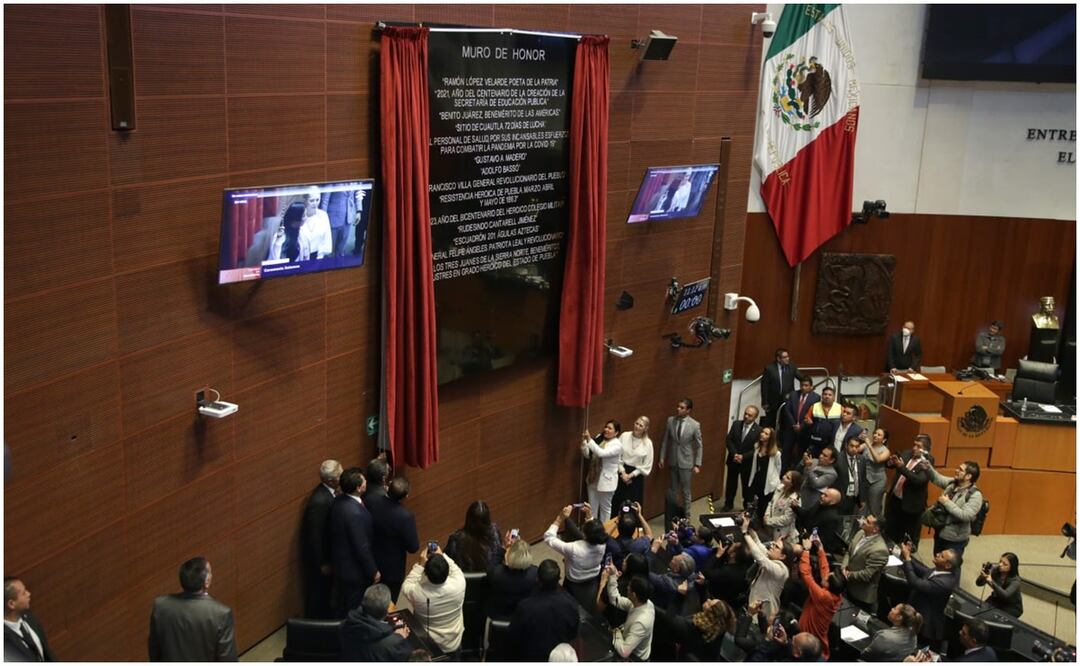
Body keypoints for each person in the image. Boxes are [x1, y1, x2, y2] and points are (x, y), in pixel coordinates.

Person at [148, 557, 237, 661]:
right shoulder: (221, 614)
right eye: (211, 573)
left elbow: (154, 650)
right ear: (206, 582)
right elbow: (227, 659)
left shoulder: (160, 605)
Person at [327, 467, 380, 614]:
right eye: (364, 481)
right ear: (358, 487)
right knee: (353, 609)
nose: (366, 482)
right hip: (353, 571)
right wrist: (373, 570)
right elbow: (361, 546)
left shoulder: (339, 501)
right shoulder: (354, 512)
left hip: (341, 565)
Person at [398, 544, 466, 657]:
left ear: (426, 573)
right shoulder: (460, 583)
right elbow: (454, 568)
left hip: (429, 645)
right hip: (453, 643)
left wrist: (420, 565)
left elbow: (407, 584)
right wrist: (442, 555)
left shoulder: (417, 593)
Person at [507, 560, 579, 662]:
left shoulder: (525, 607)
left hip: (531, 657)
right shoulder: (571, 604)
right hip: (560, 658)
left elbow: (513, 635)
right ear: (559, 579)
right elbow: (573, 634)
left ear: (538, 580)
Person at [543, 504, 606, 612]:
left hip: (574, 581)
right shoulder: (602, 544)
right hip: (593, 578)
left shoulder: (574, 548)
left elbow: (548, 537)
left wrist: (560, 518)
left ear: (585, 535)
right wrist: (589, 516)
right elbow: (594, 532)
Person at [368, 477, 420, 603]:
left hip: (371, 563)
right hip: (392, 570)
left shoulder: (370, 501)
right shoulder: (405, 517)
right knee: (389, 605)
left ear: (388, 486)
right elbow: (413, 547)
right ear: (406, 496)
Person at [301, 459, 341, 618]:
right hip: (321, 562)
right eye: (340, 474)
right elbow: (315, 536)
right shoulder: (319, 502)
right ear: (331, 480)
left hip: (330, 557)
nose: (342, 475)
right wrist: (322, 563)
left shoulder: (329, 493)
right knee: (320, 595)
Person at [900, 543, 959, 650]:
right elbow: (924, 571)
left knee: (915, 649)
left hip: (926, 624)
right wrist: (908, 555)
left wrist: (907, 559)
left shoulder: (944, 583)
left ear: (948, 565)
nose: (937, 554)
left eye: (941, 556)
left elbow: (915, 582)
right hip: (918, 613)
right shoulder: (941, 571)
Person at [923, 460, 983, 559]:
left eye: (960, 470)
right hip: (941, 531)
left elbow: (966, 516)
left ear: (968, 476)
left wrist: (947, 503)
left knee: (951, 567)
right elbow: (938, 479)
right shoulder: (953, 483)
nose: (956, 470)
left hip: (955, 539)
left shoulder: (975, 495)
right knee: (938, 559)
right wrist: (928, 468)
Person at [796, 537, 843, 660]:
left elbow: (806, 574)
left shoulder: (823, 596)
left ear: (828, 585)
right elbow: (825, 570)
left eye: (828, 579)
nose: (826, 576)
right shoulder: (836, 593)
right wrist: (820, 549)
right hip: (812, 636)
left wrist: (806, 550)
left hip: (809, 642)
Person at [884, 434, 934, 551]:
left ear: (925, 450)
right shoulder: (907, 453)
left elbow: (918, 480)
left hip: (911, 505)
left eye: (918, 446)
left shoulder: (928, 461)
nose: (914, 448)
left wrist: (902, 468)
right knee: (890, 531)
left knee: (906, 538)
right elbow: (890, 465)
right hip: (896, 500)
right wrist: (891, 462)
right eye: (914, 445)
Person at [340, 583, 412, 662]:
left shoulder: (346, 624)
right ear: (387, 610)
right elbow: (407, 656)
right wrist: (399, 638)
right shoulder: (395, 643)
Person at [741, 513, 791, 618]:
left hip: (765, 610)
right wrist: (750, 529)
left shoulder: (782, 570)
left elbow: (761, 559)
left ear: (782, 556)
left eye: (776, 547)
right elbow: (758, 545)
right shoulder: (771, 558)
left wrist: (745, 533)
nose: (772, 546)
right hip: (754, 600)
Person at [658, 398, 703, 517]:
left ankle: (687, 516)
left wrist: (697, 464)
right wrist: (662, 457)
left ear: (688, 410)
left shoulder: (694, 425)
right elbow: (665, 440)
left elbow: (699, 446)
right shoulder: (670, 420)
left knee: (686, 491)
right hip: (673, 460)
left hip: (686, 462)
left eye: (682, 407)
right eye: (678, 406)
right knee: (673, 490)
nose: (678, 409)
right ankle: (673, 514)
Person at [603, 565, 655, 661]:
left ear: (634, 595)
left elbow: (624, 652)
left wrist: (616, 633)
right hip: (627, 641)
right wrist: (612, 576)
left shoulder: (641, 622)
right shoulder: (643, 602)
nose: (627, 587)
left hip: (635, 658)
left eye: (629, 587)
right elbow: (615, 599)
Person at [842, 514, 890, 613]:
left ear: (875, 529)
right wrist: (843, 567)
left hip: (861, 596)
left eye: (867, 522)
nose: (863, 521)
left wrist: (848, 575)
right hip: (848, 587)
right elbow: (849, 552)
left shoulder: (880, 550)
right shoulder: (860, 533)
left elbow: (867, 575)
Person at [580, 421, 624, 523]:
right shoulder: (600, 437)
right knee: (592, 508)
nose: (606, 430)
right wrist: (584, 443)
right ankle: (592, 531)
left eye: (609, 428)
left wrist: (590, 440)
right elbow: (588, 454)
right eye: (606, 427)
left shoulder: (617, 445)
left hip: (606, 481)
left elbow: (601, 453)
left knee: (605, 509)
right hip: (593, 477)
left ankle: (604, 533)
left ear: (616, 432)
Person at [445, 500, 503, 573]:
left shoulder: (455, 539)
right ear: (488, 520)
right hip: (491, 582)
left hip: (463, 583)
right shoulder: (495, 533)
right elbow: (500, 559)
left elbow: (446, 563)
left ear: (468, 519)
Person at [4, 577, 54, 662]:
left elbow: (47, 653)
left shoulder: (28, 616)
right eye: (24, 593)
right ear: (11, 604)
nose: (29, 594)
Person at [488, 538, 538, 620]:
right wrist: (521, 551)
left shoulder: (496, 573)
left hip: (499, 615)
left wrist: (504, 547)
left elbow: (493, 562)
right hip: (524, 616)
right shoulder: (535, 573)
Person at [723, 405, 762, 511]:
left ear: (755, 418)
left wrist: (743, 457)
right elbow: (729, 440)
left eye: (749, 415)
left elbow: (757, 449)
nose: (746, 416)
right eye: (745, 413)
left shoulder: (759, 430)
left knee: (746, 487)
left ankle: (746, 507)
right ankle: (728, 504)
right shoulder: (736, 424)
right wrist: (734, 454)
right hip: (733, 460)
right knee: (731, 484)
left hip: (747, 464)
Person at [612, 416, 654, 509]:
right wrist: (623, 473)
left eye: (641, 425)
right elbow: (617, 456)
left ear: (645, 428)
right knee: (617, 503)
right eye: (636, 423)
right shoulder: (624, 436)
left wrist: (630, 476)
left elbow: (647, 465)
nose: (637, 427)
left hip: (636, 477)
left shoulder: (648, 443)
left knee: (632, 506)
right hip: (621, 473)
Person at [782, 377, 819, 469]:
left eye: (806, 385)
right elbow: (787, 410)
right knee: (786, 452)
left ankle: (798, 473)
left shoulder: (816, 397)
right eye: (802, 385)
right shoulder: (793, 394)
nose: (803, 387)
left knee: (801, 453)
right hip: (791, 428)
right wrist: (794, 424)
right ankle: (783, 472)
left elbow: (813, 414)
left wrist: (801, 426)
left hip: (805, 430)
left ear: (811, 387)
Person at [747, 427, 782, 520]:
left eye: (766, 434)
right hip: (757, 477)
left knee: (764, 503)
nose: (762, 434)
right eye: (762, 432)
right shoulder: (757, 447)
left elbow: (778, 469)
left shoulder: (776, 453)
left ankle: (761, 521)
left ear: (771, 438)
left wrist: (775, 482)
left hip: (768, 481)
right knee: (752, 498)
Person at [604, 502, 652, 570]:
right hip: (633, 574)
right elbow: (649, 535)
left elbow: (603, 536)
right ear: (634, 529)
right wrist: (639, 515)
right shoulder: (640, 544)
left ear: (618, 527)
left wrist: (617, 522)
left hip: (615, 573)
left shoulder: (611, 544)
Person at [976, 552, 1024, 617]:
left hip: (1011, 606)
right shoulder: (996, 570)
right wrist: (983, 576)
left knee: (995, 620)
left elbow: (1005, 595)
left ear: (1012, 567)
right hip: (996, 599)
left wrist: (991, 581)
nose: (1000, 564)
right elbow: (978, 583)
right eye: (1000, 561)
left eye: (1005, 564)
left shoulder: (1016, 580)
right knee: (980, 613)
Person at [761, 348, 798, 428]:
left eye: (788, 356)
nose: (787, 359)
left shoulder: (791, 367)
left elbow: (801, 377)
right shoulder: (769, 368)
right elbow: (765, 386)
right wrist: (765, 402)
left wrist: (809, 383)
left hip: (787, 400)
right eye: (785, 357)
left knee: (786, 423)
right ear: (778, 358)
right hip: (773, 401)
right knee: (771, 423)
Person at [764, 470, 802, 544]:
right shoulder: (780, 487)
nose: (783, 477)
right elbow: (771, 503)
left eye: (787, 478)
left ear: (792, 484)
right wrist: (767, 515)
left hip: (783, 533)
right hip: (771, 527)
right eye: (785, 474)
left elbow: (787, 519)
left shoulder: (795, 499)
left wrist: (769, 521)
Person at [803, 488, 846, 555]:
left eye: (825, 495)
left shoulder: (832, 518)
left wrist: (808, 539)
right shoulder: (819, 505)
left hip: (816, 548)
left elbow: (823, 539)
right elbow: (806, 515)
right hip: (806, 537)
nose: (822, 496)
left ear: (832, 502)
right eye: (823, 494)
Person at [861, 428, 892, 518]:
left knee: (874, 506)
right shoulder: (867, 444)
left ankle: (874, 529)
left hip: (877, 481)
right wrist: (859, 438)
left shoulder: (886, 451)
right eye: (875, 433)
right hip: (864, 478)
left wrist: (869, 446)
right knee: (861, 505)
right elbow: (856, 449)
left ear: (884, 440)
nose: (875, 435)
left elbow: (877, 460)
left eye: (879, 435)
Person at [798, 447, 837, 517]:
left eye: (825, 456)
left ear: (832, 460)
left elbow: (816, 484)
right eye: (821, 453)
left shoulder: (831, 473)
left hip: (810, 501)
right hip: (800, 493)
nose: (821, 456)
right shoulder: (814, 461)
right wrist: (803, 462)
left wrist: (809, 468)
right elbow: (798, 471)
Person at [834, 435, 867, 514]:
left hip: (854, 498)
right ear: (846, 445)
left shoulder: (861, 459)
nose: (854, 449)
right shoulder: (838, 458)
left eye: (857, 446)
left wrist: (862, 499)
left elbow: (862, 480)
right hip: (840, 497)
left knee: (849, 521)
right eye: (851, 446)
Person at [806, 386, 842, 456]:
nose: (827, 396)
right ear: (822, 396)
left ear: (834, 397)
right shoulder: (814, 407)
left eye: (829, 395)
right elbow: (807, 419)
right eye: (825, 394)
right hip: (816, 441)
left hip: (833, 442)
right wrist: (808, 423)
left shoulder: (840, 408)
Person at [300, 186, 333, 259]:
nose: (315, 203)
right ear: (305, 200)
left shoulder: (323, 215)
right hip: (301, 258)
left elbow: (327, 241)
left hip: (319, 257)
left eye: (317, 200)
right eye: (311, 201)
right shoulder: (299, 216)